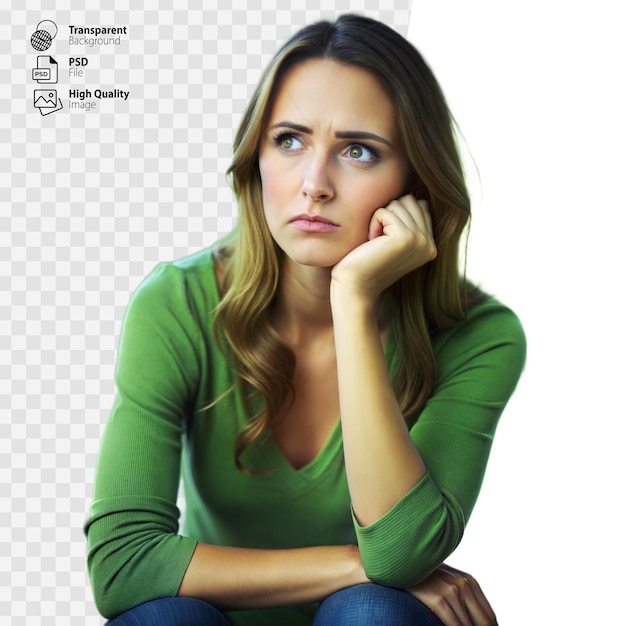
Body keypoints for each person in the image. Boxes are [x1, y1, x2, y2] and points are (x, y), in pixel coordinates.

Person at [84, 13, 525, 626]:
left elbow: (396, 560)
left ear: (415, 179)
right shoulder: (175, 304)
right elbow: (123, 567)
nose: (314, 183)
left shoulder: (478, 335)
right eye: (289, 140)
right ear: (256, 156)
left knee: (373, 610)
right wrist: (355, 560)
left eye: (358, 150)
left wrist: (353, 296)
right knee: (165, 620)